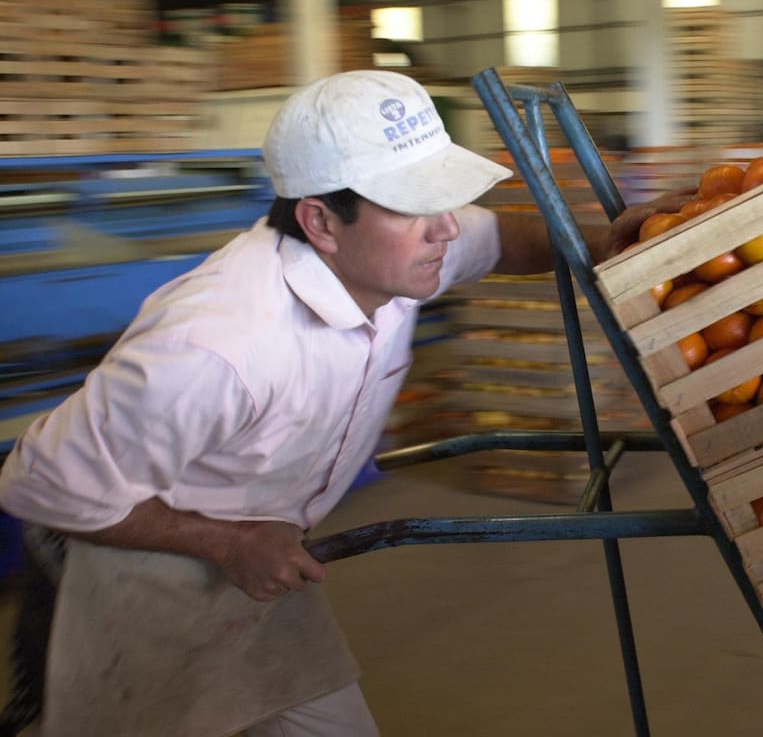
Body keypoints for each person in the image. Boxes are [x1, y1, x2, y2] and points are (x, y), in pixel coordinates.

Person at [0, 69, 691, 737]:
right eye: (416, 208)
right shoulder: (217, 346)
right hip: (134, 564)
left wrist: (599, 242)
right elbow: (41, 482)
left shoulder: (388, 253)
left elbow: (502, 240)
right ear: (321, 222)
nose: (446, 229)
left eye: (442, 201)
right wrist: (228, 543)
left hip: (262, 552)